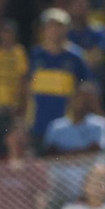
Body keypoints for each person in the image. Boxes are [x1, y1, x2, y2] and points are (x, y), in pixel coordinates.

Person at [26, 8, 90, 144]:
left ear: (67, 29)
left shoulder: (76, 57)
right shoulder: (36, 54)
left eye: (59, 26)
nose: (54, 30)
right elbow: (28, 87)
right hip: (38, 124)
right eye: (50, 26)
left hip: (65, 125)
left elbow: (84, 88)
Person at [43, 82, 105, 157]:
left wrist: (68, 154)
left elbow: (95, 150)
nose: (83, 102)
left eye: (88, 99)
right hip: (60, 164)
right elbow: (51, 151)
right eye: (80, 97)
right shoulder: (56, 125)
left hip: (90, 164)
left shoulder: (100, 124)